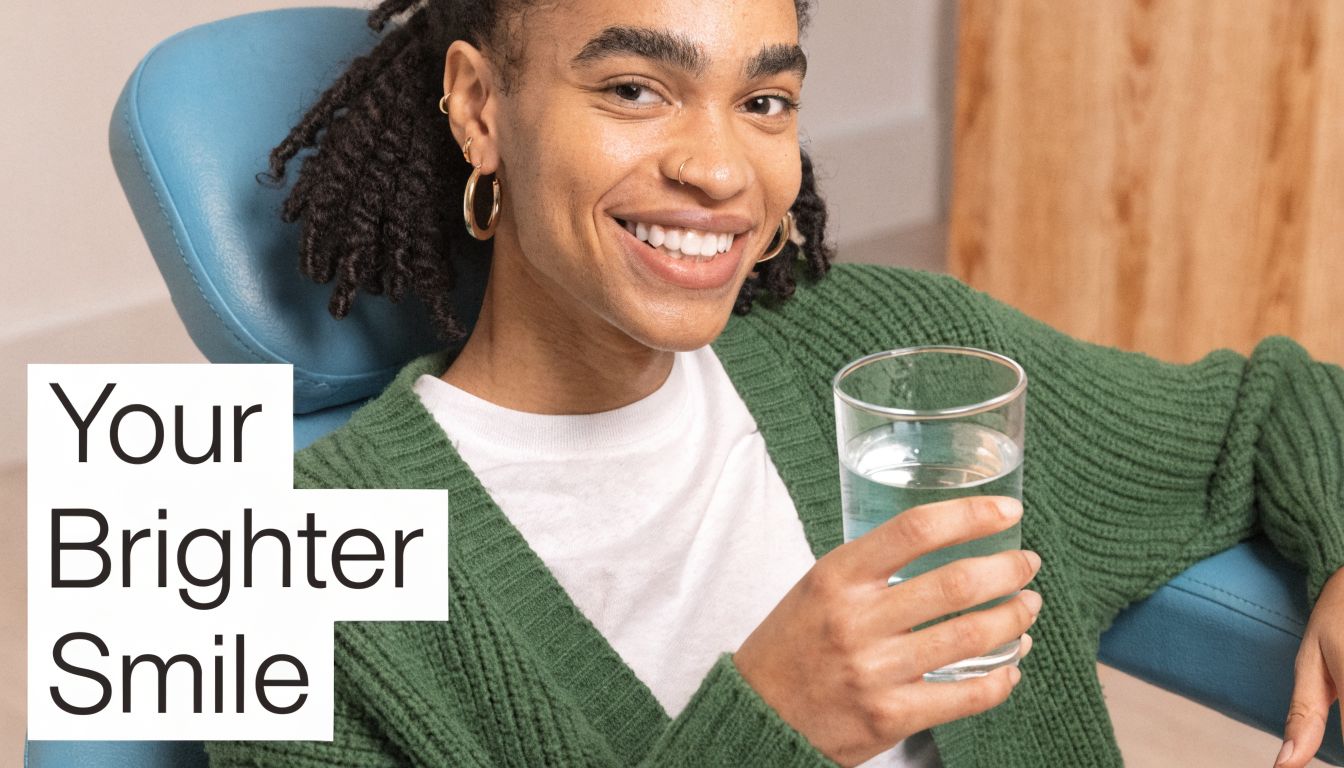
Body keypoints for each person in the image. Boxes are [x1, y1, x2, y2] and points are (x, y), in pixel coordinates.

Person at [206, 0, 1344, 766]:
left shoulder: (890, 359)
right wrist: (772, 727)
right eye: (636, 89)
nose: (718, 170)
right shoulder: (287, 582)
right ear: (478, 108)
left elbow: (1276, 406)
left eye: (764, 103)